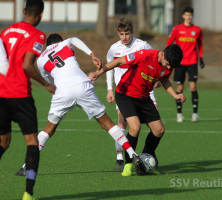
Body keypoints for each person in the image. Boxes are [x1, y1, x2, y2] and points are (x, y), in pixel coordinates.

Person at [14, 34, 147, 179]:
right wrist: (92, 54)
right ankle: (132, 154)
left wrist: (54, 92)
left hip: (62, 92)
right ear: (59, 41)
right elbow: (74, 40)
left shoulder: (40, 60)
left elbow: (48, 82)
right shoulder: (64, 43)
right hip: (82, 86)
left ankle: (26, 165)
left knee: (48, 129)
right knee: (107, 123)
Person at [89, 44, 185, 176]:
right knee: (135, 127)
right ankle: (128, 164)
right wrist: (98, 73)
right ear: (162, 54)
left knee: (159, 130)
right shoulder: (144, 55)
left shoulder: (168, 64)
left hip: (144, 97)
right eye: (167, 64)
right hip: (125, 95)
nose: (168, 67)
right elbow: (118, 61)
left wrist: (175, 95)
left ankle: (145, 159)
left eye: (171, 66)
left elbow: (164, 79)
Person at [0, 1, 56, 199]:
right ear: (40, 14)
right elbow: (27, 65)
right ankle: (28, 193)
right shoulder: (37, 35)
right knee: (32, 142)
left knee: (4, 142)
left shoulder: (5, 32)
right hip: (20, 95)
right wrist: (47, 84)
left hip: (1, 94)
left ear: (23, 11)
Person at [106, 18, 158, 171]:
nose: (124, 37)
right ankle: (120, 157)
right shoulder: (113, 49)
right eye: (121, 34)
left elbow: (152, 66)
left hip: (143, 92)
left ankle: (147, 154)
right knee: (122, 122)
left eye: (127, 34)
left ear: (132, 32)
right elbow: (110, 69)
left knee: (154, 126)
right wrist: (109, 89)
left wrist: (154, 88)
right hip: (124, 92)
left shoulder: (142, 45)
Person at [166, 6, 204, 123]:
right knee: (180, 88)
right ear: (183, 16)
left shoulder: (197, 30)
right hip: (179, 63)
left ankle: (195, 114)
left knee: (193, 86)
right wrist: (168, 56)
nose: (188, 17)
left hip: (192, 61)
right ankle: (179, 114)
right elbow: (169, 43)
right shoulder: (177, 29)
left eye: (190, 15)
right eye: (186, 15)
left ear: (192, 16)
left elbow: (200, 45)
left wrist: (201, 57)